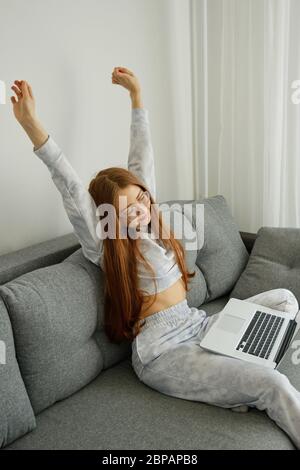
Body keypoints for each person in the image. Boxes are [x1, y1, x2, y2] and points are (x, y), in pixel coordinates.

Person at [10, 68, 300, 449]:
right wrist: (32, 124)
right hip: (164, 352)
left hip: (198, 325)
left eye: (142, 199)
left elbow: (141, 162)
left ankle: (234, 378)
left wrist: (137, 97)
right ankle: (243, 381)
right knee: (273, 383)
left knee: (285, 299)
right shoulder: (106, 244)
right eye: (126, 209)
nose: (140, 210)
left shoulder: (153, 226)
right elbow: (69, 186)